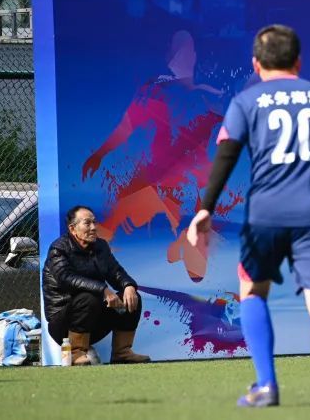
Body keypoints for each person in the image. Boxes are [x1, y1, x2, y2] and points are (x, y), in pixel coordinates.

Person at [187, 24, 310, 408]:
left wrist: (205, 208)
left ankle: (267, 385)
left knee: (252, 292)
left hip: (265, 215)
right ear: (298, 62)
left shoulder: (246, 101)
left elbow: (227, 155)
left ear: (256, 64)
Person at [81, 30, 230, 283]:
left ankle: (189, 245)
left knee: (198, 264)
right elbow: (126, 127)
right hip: (156, 177)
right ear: (168, 55)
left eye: (187, 51)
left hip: (190, 182)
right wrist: (100, 153)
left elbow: (239, 123)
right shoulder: (155, 91)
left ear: (194, 56)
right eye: (177, 50)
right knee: (118, 215)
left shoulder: (208, 96)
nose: (182, 56)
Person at [42, 205, 150, 365]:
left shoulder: (101, 246)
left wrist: (128, 286)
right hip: (63, 325)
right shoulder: (58, 249)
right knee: (88, 297)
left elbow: (115, 271)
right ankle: (76, 353)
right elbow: (66, 278)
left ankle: (122, 353)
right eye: (87, 223)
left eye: (94, 222)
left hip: (94, 320)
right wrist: (103, 290)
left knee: (132, 298)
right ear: (72, 228)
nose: (93, 227)